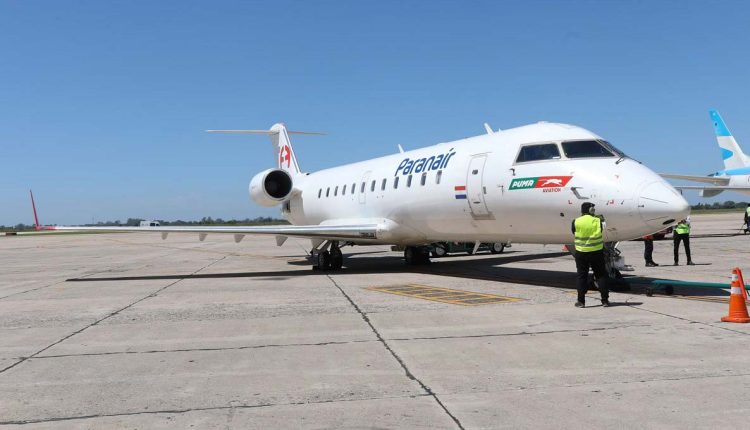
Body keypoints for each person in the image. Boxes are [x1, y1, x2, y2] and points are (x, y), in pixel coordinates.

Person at [572, 202, 610, 308]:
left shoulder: (576, 221)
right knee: (601, 275)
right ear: (591, 210)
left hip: (581, 252)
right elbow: (602, 229)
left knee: (581, 276)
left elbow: (574, 232)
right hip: (596, 252)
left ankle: (581, 301)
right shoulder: (598, 221)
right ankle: (605, 300)